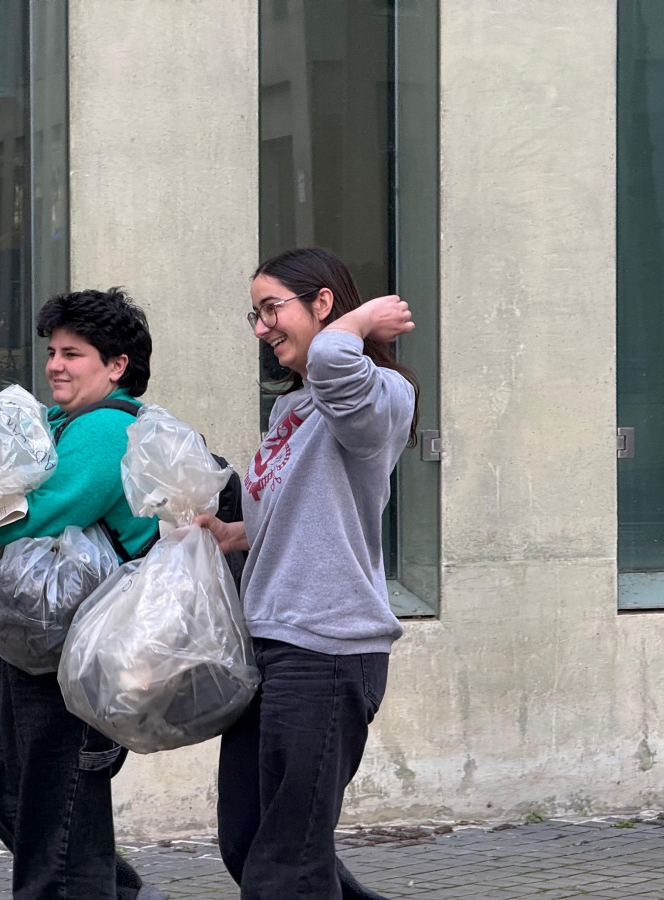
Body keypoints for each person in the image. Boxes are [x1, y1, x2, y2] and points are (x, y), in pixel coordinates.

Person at [0, 289, 165, 900]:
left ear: (116, 366)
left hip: (76, 656)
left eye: (73, 354)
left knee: (57, 825)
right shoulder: (58, 422)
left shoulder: (105, 431)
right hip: (36, 648)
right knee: (11, 793)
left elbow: (38, 514)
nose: (55, 365)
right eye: (52, 352)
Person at [196, 247, 419, 900]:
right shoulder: (291, 410)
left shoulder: (380, 397)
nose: (262, 327)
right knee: (251, 845)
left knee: (286, 866)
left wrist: (364, 319)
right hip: (268, 643)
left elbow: (333, 361)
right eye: (255, 314)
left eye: (273, 309)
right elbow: (303, 510)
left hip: (326, 648)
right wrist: (230, 533)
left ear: (323, 303)